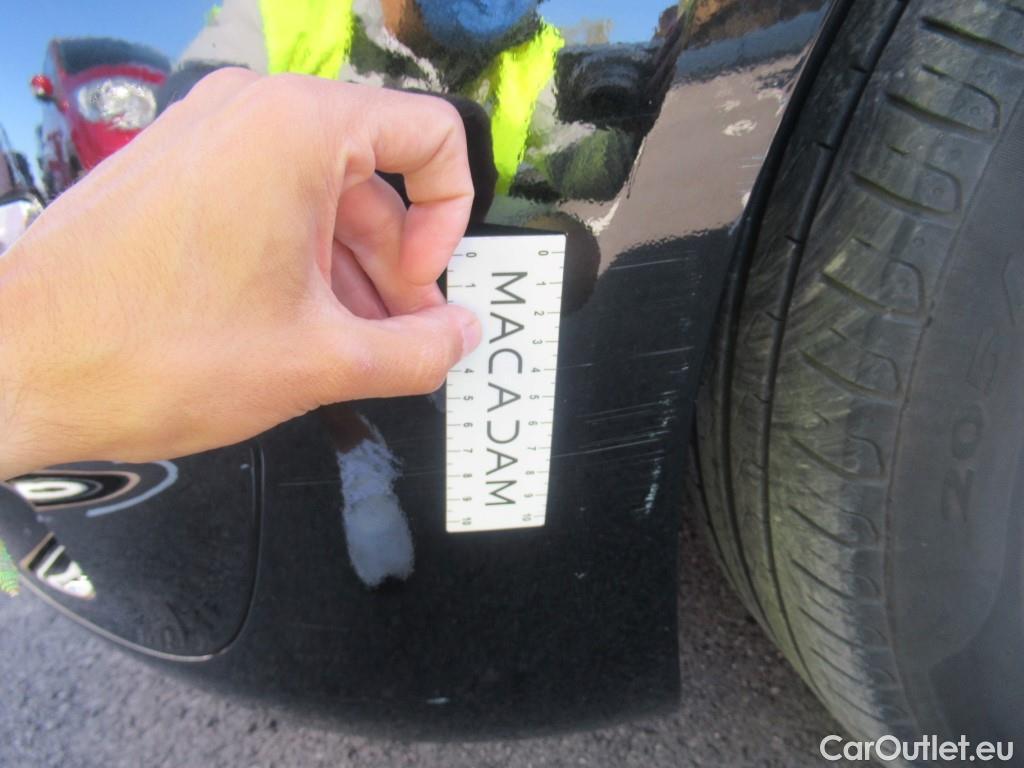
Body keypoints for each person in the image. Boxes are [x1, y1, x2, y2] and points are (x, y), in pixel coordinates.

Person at [0, 70, 482, 482]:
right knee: (322, 345)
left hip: (350, 173)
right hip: (320, 181)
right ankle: (358, 453)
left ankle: (408, 400)